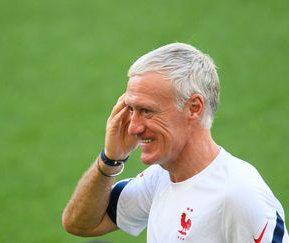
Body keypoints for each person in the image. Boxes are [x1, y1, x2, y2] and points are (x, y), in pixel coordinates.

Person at [62, 43, 289, 242]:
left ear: (194, 108)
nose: (133, 127)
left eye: (147, 111)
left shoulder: (238, 195)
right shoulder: (159, 179)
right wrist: (110, 160)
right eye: (131, 110)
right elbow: (81, 223)